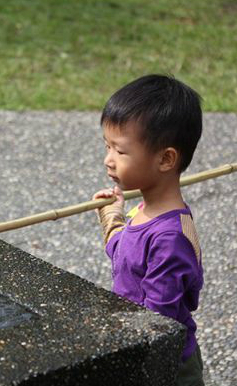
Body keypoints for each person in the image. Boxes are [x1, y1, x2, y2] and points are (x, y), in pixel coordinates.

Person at [93, 74, 204, 386]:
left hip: (164, 368)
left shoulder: (170, 239)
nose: (108, 160)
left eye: (121, 151)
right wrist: (111, 217)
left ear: (166, 159)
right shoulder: (145, 209)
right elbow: (124, 256)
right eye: (107, 146)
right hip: (138, 347)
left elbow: (158, 324)